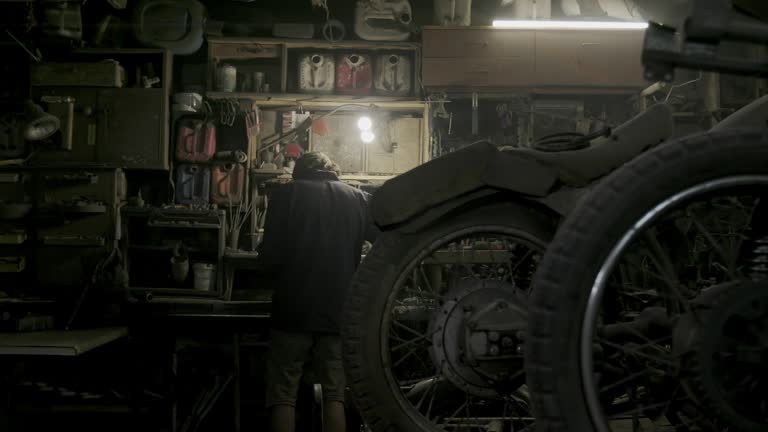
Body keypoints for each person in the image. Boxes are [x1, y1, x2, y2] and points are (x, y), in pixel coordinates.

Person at [258, 152, 376, 432]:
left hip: (292, 310)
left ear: (299, 172)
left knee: (283, 393)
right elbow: (383, 244)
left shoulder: (285, 196)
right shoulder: (359, 199)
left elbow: (268, 259)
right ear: (332, 171)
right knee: (335, 392)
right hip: (339, 311)